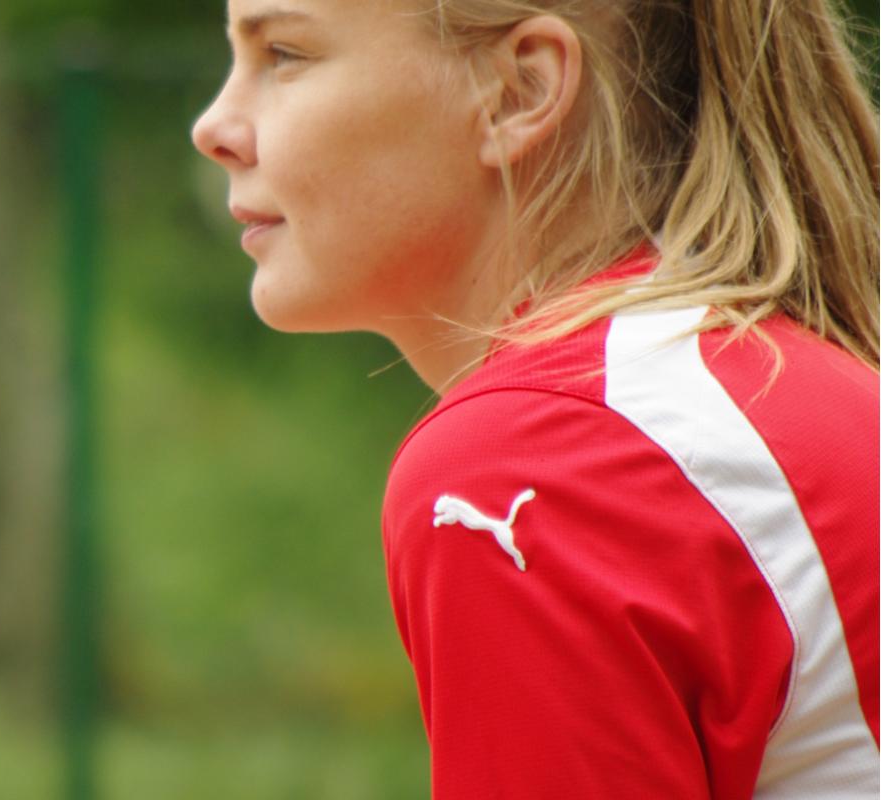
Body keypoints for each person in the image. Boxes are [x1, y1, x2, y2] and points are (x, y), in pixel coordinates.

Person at [190, 0, 878, 797]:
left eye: (284, 53)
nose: (215, 126)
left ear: (519, 92)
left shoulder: (544, 458)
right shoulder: (774, 391)